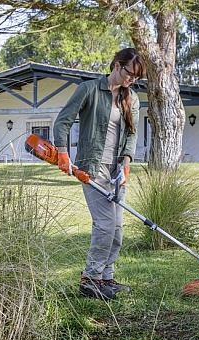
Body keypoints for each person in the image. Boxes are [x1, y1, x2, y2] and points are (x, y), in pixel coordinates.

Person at [53, 48, 146, 301]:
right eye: (130, 74)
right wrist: (62, 152)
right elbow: (62, 121)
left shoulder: (132, 99)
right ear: (117, 66)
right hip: (91, 168)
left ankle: (106, 279)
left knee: (116, 229)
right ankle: (90, 280)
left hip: (116, 171)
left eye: (137, 78)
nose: (132, 80)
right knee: (104, 225)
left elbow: (132, 134)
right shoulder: (89, 90)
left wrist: (125, 164)